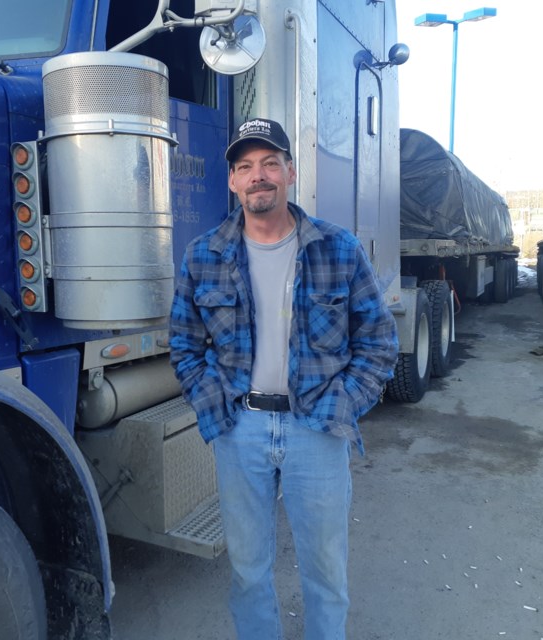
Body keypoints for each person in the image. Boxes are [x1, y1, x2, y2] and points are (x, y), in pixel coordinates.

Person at [169, 118, 399, 640]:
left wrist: (343, 404)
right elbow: (183, 344)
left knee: (325, 572)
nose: (259, 176)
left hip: (315, 427)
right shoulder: (203, 255)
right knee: (248, 573)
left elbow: (379, 342)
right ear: (232, 181)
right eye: (246, 166)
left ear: (290, 173)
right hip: (240, 428)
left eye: (270, 163)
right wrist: (215, 410)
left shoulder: (337, 249)